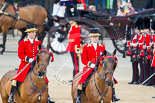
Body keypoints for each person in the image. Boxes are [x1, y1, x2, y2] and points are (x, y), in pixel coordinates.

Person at [8, 24, 55, 103]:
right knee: (17, 78)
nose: (34, 34)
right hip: (25, 64)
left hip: (36, 65)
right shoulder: (23, 42)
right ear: (28, 33)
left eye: (34, 32)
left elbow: (41, 52)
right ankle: (11, 95)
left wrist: (47, 53)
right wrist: (28, 59)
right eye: (32, 32)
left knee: (45, 80)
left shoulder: (38, 42)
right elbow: (20, 54)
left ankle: (47, 97)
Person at [76, 28, 120, 103]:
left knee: (112, 80)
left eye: (96, 36)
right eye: (93, 37)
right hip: (89, 67)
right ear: (90, 37)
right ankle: (79, 97)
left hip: (100, 67)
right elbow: (83, 59)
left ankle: (113, 96)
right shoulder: (86, 46)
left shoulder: (102, 47)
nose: (95, 38)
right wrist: (90, 64)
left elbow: (104, 57)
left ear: (98, 37)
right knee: (82, 80)